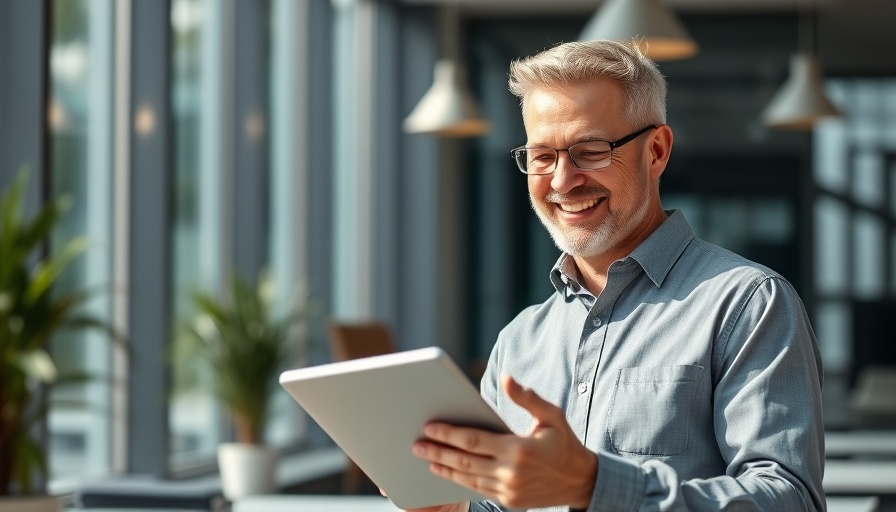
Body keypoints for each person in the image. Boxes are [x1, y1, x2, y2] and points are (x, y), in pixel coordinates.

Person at [402, 39, 825, 511]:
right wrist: (457, 506)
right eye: (542, 156)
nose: (562, 181)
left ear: (657, 151)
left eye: (590, 150)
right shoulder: (518, 343)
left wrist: (593, 486)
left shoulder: (748, 304)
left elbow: (790, 501)